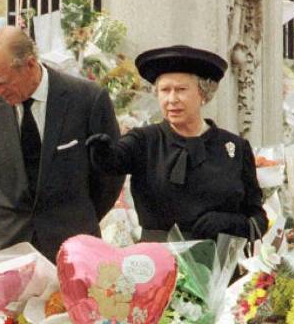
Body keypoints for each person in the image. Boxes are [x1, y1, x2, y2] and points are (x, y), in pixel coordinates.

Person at [0, 26, 124, 261]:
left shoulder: (87, 100)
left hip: (72, 246)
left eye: (3, 82)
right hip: (5, 248)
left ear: (29, 64)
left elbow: (109, 174)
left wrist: (76, 216)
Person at [85, 45, 267, 242]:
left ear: (203, 94)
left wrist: (230, 224)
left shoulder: (235, 147)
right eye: (165, 90)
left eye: (181, 90)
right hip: (158, 264)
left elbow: (258, 220)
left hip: (220, 265)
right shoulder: (144, 141)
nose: (172, 99)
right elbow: (114, 161)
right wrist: (101, 152)